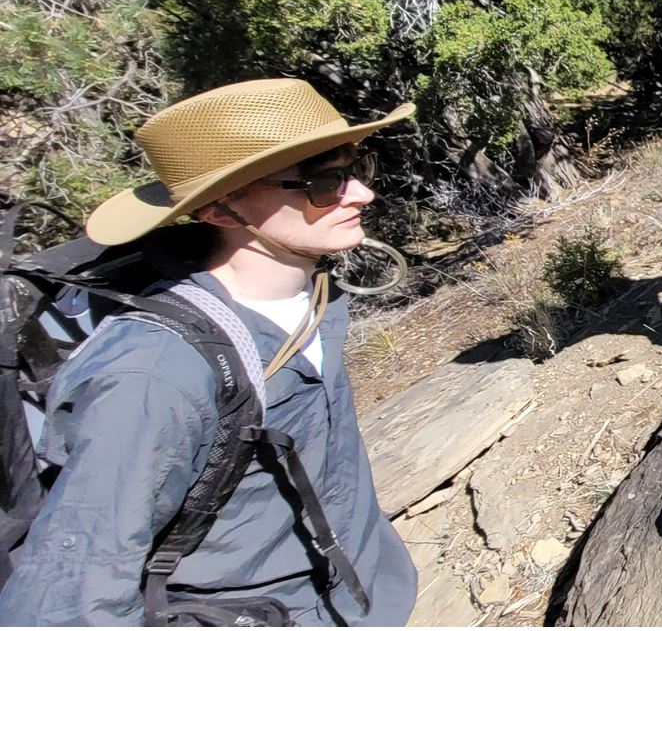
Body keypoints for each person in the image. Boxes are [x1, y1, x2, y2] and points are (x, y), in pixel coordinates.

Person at [0, 78, 418, 625]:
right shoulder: (155, 374)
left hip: (367, 587)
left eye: (355, 170)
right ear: (222, 210)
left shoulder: (316, 289)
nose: (361, 194)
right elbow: (65, 605)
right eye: (323, 183)